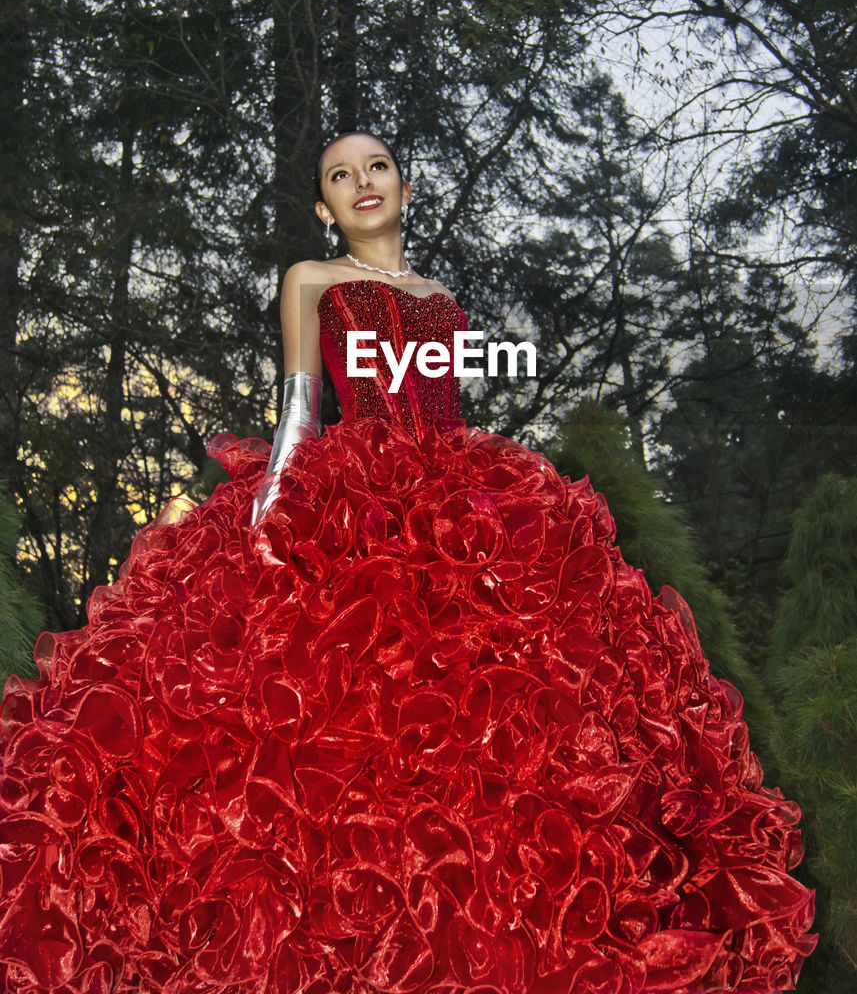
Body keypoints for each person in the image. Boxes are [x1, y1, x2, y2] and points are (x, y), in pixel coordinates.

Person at [0, 131, 816, 993]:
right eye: (339, 175)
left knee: (507, 715)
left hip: (461, 510)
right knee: (345, 711)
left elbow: (443, 404)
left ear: (405, 185)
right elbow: (300, 406)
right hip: (350, 501)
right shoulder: (311, 281)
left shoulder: (438, 295)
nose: (361, 183)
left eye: (376, 167)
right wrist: (276, 503)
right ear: (322, 206)